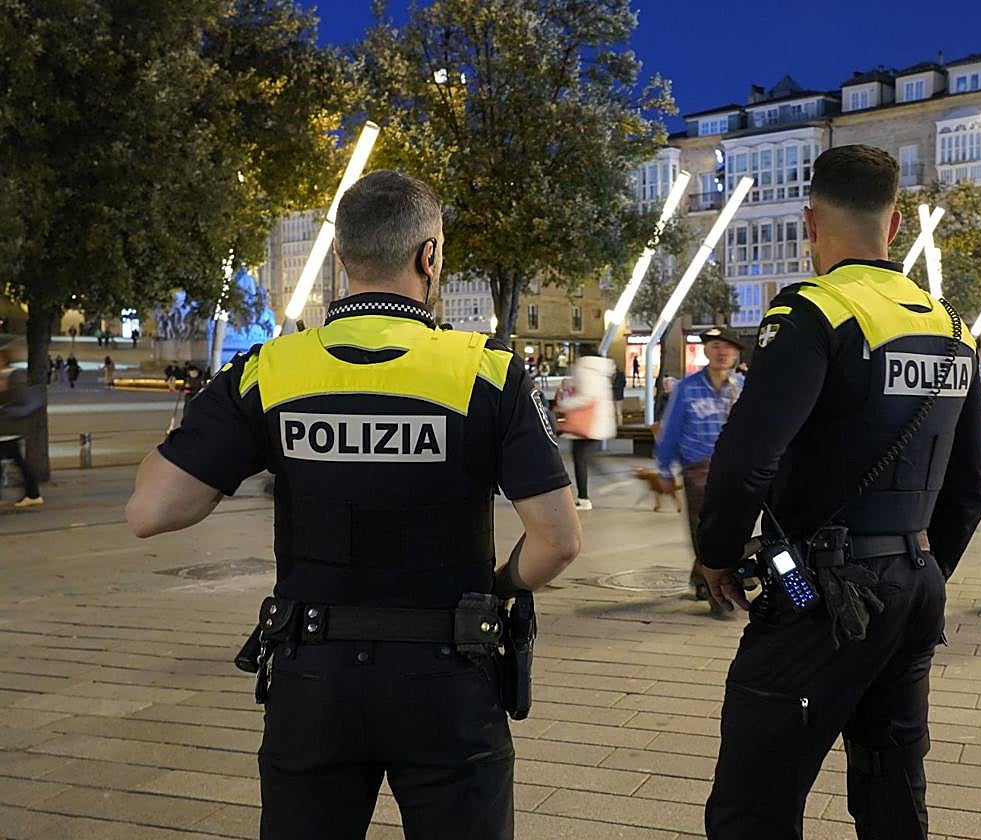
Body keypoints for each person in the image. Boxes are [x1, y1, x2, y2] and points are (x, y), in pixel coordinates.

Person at [125, 170, 581, 840]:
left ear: (340, 255)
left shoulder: (271, 371)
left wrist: (210, 429)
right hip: (448, 678)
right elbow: (559, 540)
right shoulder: (487, 372)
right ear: (430, 256)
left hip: (314, 677)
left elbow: (151, 510)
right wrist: (503, 586)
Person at [694, 145, 981, 839]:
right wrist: (916, 569)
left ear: (810, 222)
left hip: (818, 593)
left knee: (753, 802)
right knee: (893, 788)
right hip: (914, 584)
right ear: (895, 224)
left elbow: (746, 461)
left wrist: (716, 554)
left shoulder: (813, 313)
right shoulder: (952, 327)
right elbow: (968, 492)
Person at [655, 327, 743, 613]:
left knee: (732, 528)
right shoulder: (688, 388)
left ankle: (703, 576)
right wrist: (664, 469)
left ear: (736, 354)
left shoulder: (742, 387)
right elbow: (671, 430)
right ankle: (717, 592)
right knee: (704, 530)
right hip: (699, 469)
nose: (722, 352)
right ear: (706, 351)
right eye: (715, 346)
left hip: (735, 469)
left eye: (728, 348)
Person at [557, 354, 616, 510]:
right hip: (597, 423)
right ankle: (608, 479)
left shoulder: (585, 370)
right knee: (586, 458)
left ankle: (584, 498)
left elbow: (586, 398)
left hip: (587, 424)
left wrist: (565, 404)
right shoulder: (601, 372)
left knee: (580, 460)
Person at [0, 347, 45, 508]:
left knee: (19, 462)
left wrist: (3, 390)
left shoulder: (14, 375)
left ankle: (33, 494)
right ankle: (33, 493)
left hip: (8, 429)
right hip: (5, 429)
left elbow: (17, 398)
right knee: (18, 461)